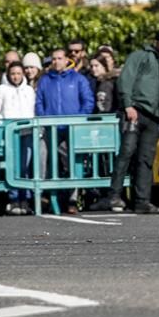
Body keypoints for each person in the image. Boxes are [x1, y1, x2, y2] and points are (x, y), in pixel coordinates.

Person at [97, 31, 159, 214]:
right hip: (136, 113)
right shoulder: (140, 56)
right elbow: (125, 80)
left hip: (154, 117)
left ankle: (142, 201)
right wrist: (128, 105)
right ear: (155, 43)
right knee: (126, 155)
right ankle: (113, 196)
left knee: (146, 160)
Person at [34, 48, 94, 215]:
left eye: (59, 58)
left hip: (72, 129)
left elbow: (88, 101)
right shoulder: (45, 80)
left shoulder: (78, 79)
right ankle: (45, 195)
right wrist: (45, 119)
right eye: (53, 59)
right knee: (45, 159)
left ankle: (72, 199)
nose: (56, 62)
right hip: (51, 128)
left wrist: (79, 119)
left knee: (72, 163)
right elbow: (39, 102)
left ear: (67, 59)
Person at [0, 62, 36, 214]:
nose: (16, 77)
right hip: (10, 133)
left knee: (26, 166)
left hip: (27, 132)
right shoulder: (2, 89)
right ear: (8, 75)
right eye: (13, 74)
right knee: (13, 166)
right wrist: (5, 124)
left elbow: (33, 110)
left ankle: (26, 199)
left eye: (18, 73)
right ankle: (14, 199)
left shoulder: (29, 90)